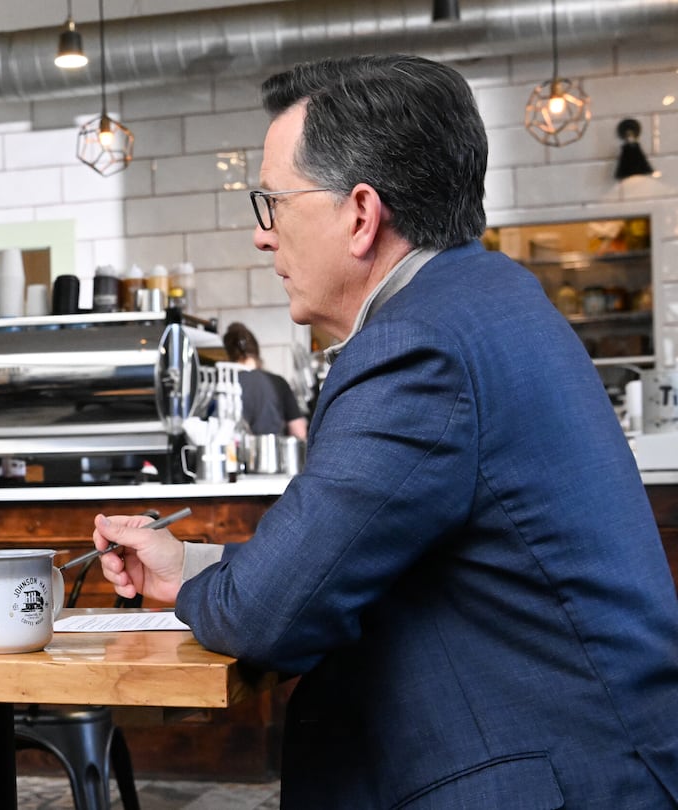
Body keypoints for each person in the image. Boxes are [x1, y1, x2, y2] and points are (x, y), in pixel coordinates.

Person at [92, 55, 678, 807]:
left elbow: (273, 615)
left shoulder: (419, 346)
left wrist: (200, 587)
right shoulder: (486, 296)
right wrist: (189, 567)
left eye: (271, 203)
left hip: (552, 779)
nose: (262, 237)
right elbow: (345, 555)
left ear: (361, 215)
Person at [221, 321, 308, 439]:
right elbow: (299, 431)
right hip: (274, 452)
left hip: (237, 453)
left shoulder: (225, 385)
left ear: (228, 356)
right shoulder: (278, 382)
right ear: (256, 351)